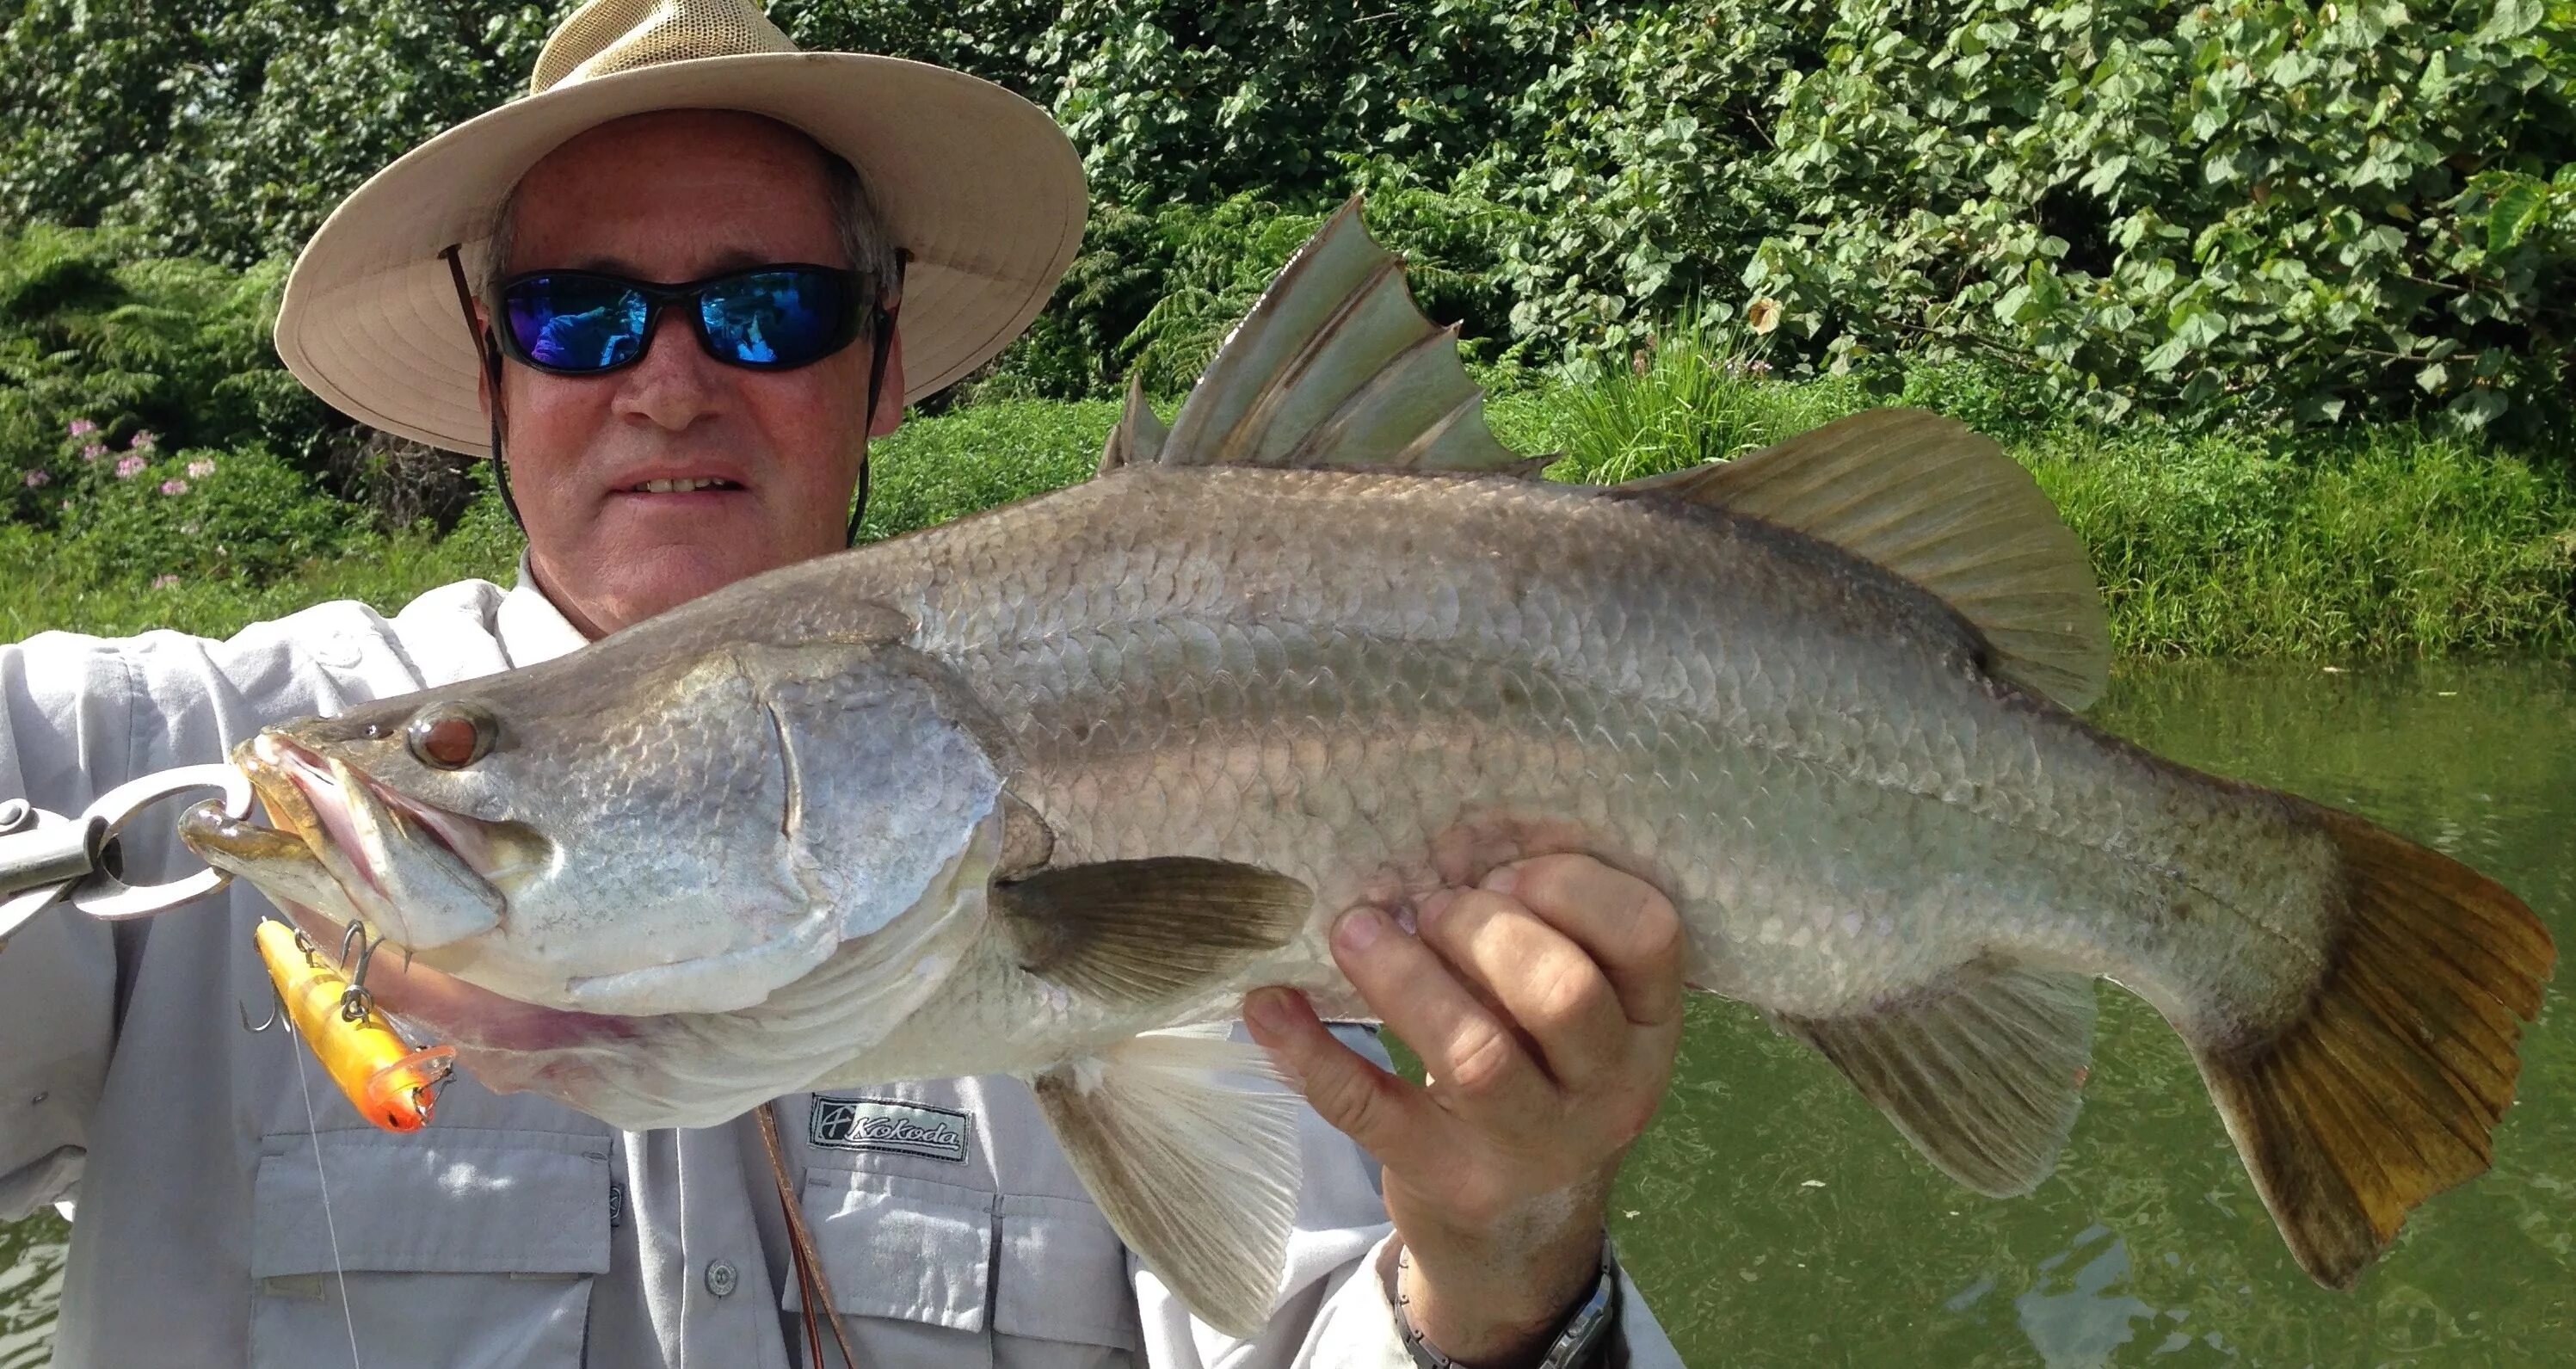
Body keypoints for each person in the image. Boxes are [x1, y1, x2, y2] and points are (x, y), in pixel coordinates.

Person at [0, 2, 1690, 1365]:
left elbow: (1311, 1321)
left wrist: (1496, 1284)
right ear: (489, 371)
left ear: (879, 364)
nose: (665, 381)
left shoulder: (1151, 758)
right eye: (577, 315)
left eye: (766, 310)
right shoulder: (175, 757)